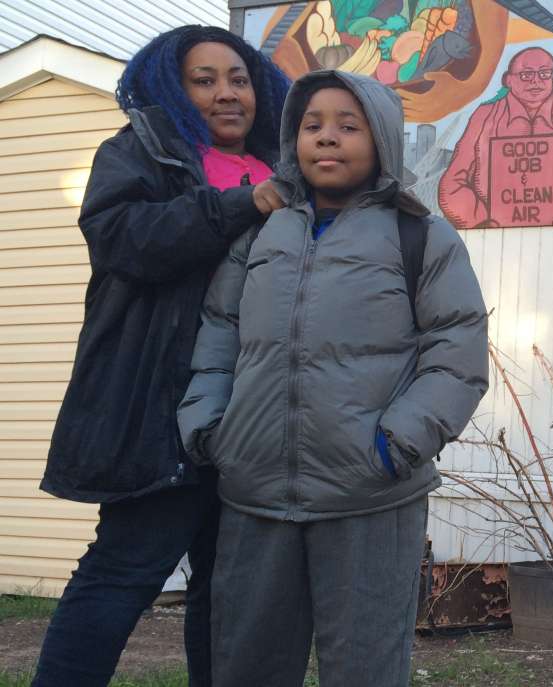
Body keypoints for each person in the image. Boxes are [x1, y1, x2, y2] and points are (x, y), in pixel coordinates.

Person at [177, 70, 489, 686]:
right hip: (255, 492)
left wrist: (394, 444)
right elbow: (218, 335)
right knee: (248, 667)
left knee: (365, 670)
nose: (328, 138)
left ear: (381, 141)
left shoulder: (420, 236)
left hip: (370, 496)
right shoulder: (260, 232)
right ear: (293, 138)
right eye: (313, 125)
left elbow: (457, 353)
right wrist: (213, 427)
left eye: (349, 126)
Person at [33, 26, 289, 687]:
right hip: (157, 412)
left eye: (238, 79)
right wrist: (239, 204)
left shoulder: (282, 168)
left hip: (252, 416)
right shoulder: (137, 153)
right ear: (168, 89)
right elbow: (126, 240)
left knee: (226, 591)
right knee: (123, 571)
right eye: (203, 81)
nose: (227, 93)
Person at [439, 46, 553, 228]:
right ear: (508, 80)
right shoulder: (484, 118)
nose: (536, 81)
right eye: (526, 75)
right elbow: (452, 183)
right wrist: (481, 221)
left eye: (544, 74)